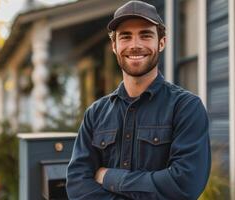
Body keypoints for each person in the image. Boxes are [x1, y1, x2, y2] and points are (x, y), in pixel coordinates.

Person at [66, 1, 211, 199]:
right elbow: (77, 185)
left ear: (161, 43)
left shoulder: (186, 108)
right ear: (114, 46)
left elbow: (185, 184)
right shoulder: (95, 114)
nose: (135, 45)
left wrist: (108, 176)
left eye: (145, 35)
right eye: (126, 36)